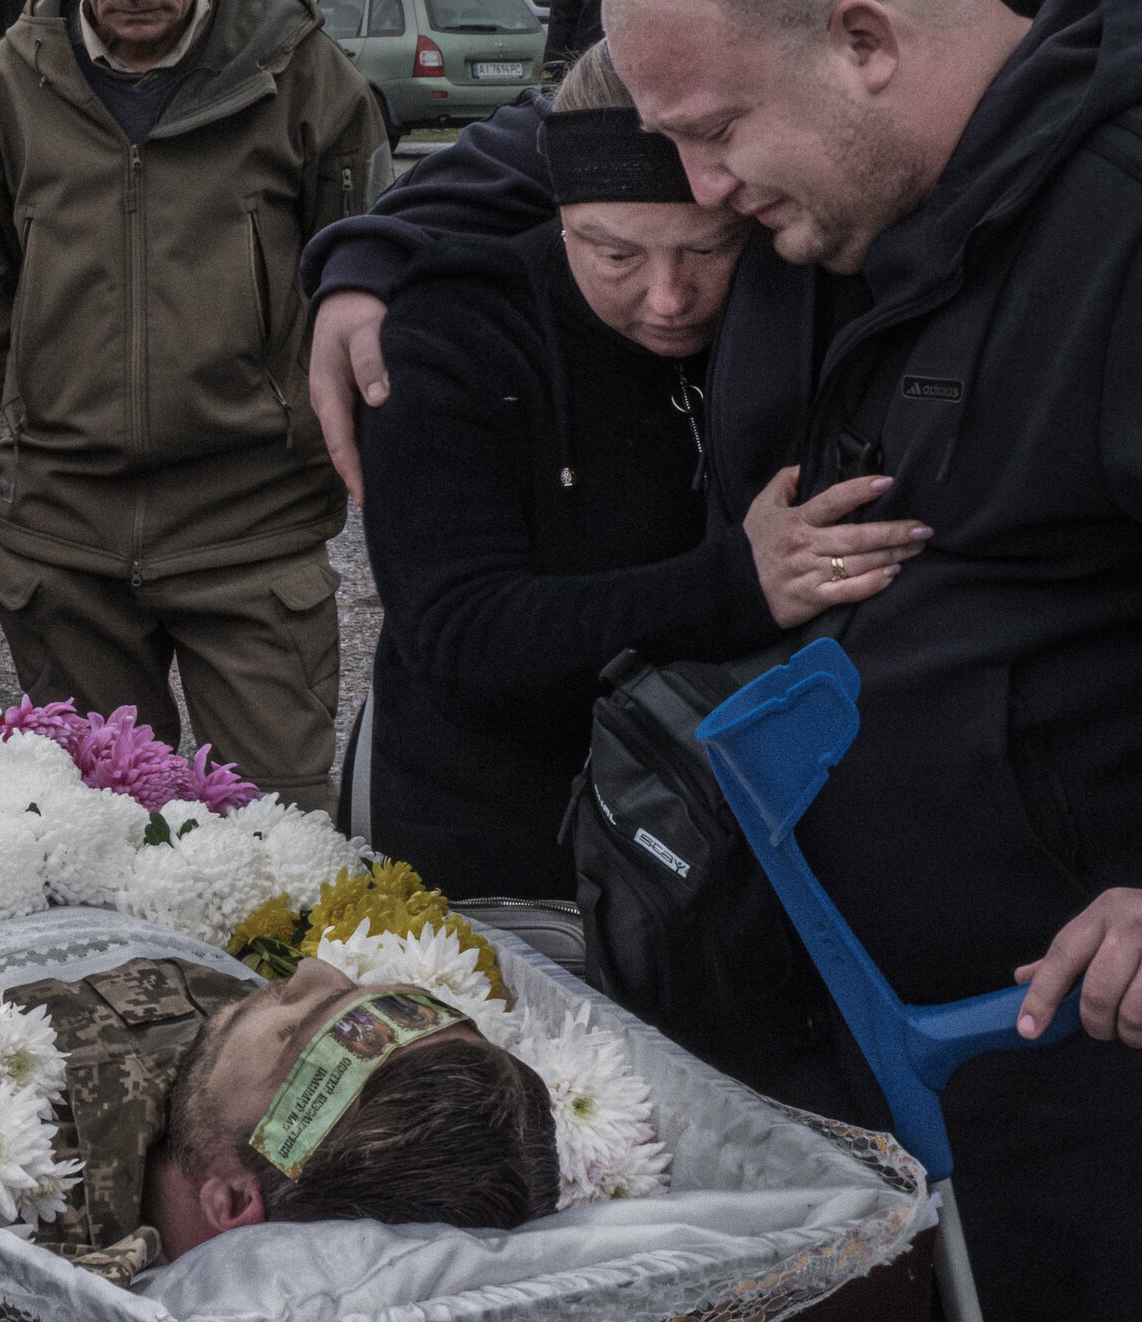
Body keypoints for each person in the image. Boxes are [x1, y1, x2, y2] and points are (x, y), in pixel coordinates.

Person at [304, 0, 1142, 1322]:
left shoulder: (1116, 219)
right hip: (869, 1009)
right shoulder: (844, 126)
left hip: (1072, 1039)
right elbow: (564, 138)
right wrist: (367, 258)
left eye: (712, 144)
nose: (695, 202)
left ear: (868, 43)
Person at [353, 44, 928, 902]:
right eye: (614, 254)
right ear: (559, 215)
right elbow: (461, 635)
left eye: (707, 251)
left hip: (746, 851)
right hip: (504, 854)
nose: (668, 297)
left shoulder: (803, 300)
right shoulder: (454, 330)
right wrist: (737, 583)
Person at [0, 0, 390, 813]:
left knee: (279, 837)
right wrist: (61, 401)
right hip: (66, 543)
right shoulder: (4, 89)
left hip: (252, 533)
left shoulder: (305, 77)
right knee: (94, 839)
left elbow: (361, 271)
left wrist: (284, 416)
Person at [6, 950, 557, 1277]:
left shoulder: (10, 1207)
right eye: (354, 988)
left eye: (289, 1032)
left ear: (235, 1201)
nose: (312, 967)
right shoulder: (236, 1076)